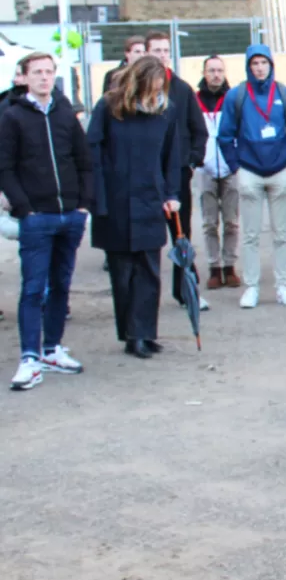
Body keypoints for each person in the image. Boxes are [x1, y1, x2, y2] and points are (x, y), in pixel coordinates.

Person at [0, 52, 93, 390]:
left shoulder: (65, 115)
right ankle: (30, 357)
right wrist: (24, 208)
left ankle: (52, 349)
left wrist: (82, 205)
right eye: (37, 72)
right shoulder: (12, 117)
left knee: (61, 285)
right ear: (24, 77)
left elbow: (84, 161)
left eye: (49, 71)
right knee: (33, 289)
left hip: (70, 216)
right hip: (36, 218)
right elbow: (5, 167)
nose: (44, 77)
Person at [86, 56, 183, 358]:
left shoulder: (166, 111)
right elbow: (93, 152)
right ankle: (131, 334)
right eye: (150, 87)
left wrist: (171, 193)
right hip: (116, 201)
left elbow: (172, 156)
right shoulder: (109, 107)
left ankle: (145, 332)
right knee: (123, 272)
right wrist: (97, 198)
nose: (154, 93)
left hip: (150, 199)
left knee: (149, 271)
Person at [217, 44, 286, 309]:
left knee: (281, 234)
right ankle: (251, 287)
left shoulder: (285, 95)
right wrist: (236, 167)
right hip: (249, 172)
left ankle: (283, 285)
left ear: (271, 65)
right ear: (248, 66)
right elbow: (225, 135)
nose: (259, 68)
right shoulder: (237, 96)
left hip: (281, 171)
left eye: (264, 63)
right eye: (254, 63)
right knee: (250, 235)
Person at [145, 30, 210, 310]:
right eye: (156, 50)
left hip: (177, 173)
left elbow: (199, 130)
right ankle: (146, 296)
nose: (161, 55)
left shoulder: (182, 90)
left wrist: (192, 161)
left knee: (181, 236)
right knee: (147, 238)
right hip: (146, 176)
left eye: (165, 50)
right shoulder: (137, 91)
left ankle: (186, 289)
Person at [195, 56, 241, 292]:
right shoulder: (195, 101)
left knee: (232, 221)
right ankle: (214, 267)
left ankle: (230, 266)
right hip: (205, 168)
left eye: (219, 70)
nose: (215, 75)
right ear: (204, 73)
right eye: (211, 70)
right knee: (209, 223)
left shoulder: (232, 99)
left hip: (230, 167)